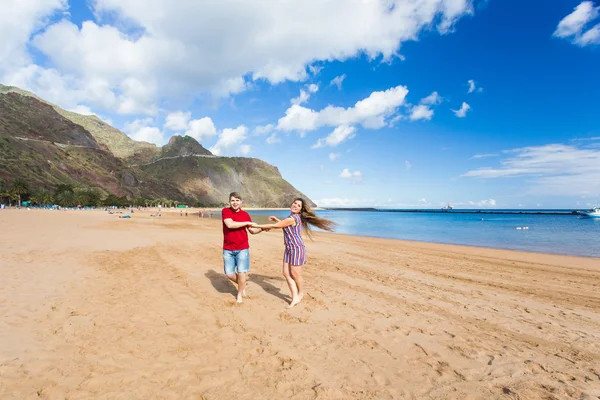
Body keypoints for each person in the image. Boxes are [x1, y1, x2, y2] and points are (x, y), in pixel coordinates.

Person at [256, 198, 335, 308]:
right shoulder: (290, 218)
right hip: (288, 248)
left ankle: (300, 293)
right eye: (294, 203)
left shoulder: (293, 218)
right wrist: (276, 220)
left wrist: (255, 225)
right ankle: (295, 297)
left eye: (298, 205)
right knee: (286, 273)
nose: (295, 206)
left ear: (300, 209)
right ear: (291, 204)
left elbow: (276, 227)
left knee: (295, 274)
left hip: (297, 248)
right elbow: (284, 226)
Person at [221, 192, 265, 303]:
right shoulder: (225, 211)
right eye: (232, 200)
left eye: (237, 200)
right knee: (229, 274)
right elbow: (230, 224)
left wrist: (263, 228)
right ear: (229, 201)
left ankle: (239, 294)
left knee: (241, 272)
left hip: (242, 248)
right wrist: (247, 222)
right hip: (228, 248)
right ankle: (242, 284)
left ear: (241, 202)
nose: (235, 203)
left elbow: (252, 231)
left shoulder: (245, 214)